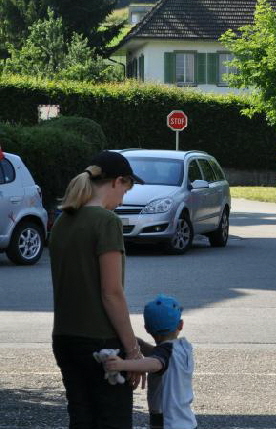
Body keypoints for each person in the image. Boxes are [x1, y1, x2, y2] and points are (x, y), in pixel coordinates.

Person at [50, 150, 146, 428]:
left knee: (81, 419)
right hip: (101, 344)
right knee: (112, 420)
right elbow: (111, 293)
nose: (123, 197)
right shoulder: (107, 222)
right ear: (118, 181)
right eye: (126, 189)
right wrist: (132, 351)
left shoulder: (61, 222)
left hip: (65, 338)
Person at [104, 295, 196, 429]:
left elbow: (155, 363)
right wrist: (137, 343)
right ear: (181, 325)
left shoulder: (164, 354)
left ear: (147, 328)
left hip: (167, 422)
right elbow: (157, 354)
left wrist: (122, 364)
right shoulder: (182, 347)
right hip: (187, 420)